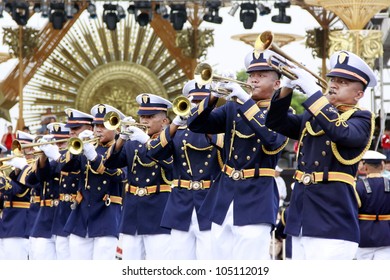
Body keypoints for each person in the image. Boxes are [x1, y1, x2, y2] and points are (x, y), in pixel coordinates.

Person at [265, 50, 377, 259]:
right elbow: (275, 122)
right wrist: (287, 87)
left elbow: (341, 132)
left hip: (332, 218)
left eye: (342, 82)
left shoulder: (362, 118)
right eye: (333, 80)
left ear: (359, 94)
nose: (333, 84)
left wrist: (313, 93)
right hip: (301, 215)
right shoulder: (313, 114)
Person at [187, 50, 289, 260]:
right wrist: (214, 96)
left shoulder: (283, 113)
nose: (254, 78)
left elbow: (272, 138)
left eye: (262, 74)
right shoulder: (233, 108)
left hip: (256, 197)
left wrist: (244, 100)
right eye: (252, 74)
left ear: (277, 84)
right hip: (224, 195)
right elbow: (195, 124)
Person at [147, 80, 224, 259]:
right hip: (181, 204)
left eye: (202, 102)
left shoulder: (219, 129)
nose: (198, 107)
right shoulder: (178, 132)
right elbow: (153, 152)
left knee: (210, 259)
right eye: (194, 103)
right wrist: (174, 124)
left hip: (209, 201)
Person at [104, 93, 173, 260]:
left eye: (150, 117)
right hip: (132, 212)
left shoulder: (171, 140)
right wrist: (121, 138)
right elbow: (110, 163)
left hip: (158, 211)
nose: (144, 121)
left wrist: (147, 142)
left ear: (164, 121)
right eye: (142, 116)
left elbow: (172, 165)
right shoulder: (133, 142)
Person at [63, 104, 126, 260]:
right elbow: (65, 168)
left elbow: (120, 175)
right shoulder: (88, 147)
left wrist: (94, 158)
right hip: (82, 214)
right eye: (96, 125)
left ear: (116, 129)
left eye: (104, 125)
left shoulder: (122, 150)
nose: (98, 129)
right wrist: (77, 145)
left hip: (107, 214)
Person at [36, 108, 94, 259]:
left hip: (81, 210)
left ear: (89, 129)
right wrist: (44, 155)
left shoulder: (90, 151)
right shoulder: (68, 153)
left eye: (76, 128)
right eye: (71, 129)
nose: (72, 132)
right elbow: (43, 176)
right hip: (62, 213)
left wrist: (55, 154)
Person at [28, 122, 70, 260]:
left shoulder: (71, 158)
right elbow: (33, 179)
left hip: (64, 215)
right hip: (45, 217)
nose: (58, 146)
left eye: (61, 142)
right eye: (55, 142)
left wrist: (57, 156)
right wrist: (43, 156)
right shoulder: (48, 161)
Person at [1, 131, 36, 259]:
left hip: (20, 224)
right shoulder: (13, 168)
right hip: (5, 223)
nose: (19, 152)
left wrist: (20, 169)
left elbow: (20, 191)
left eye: (23, 148)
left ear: (32, 149)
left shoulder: (33, 168)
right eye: (17, 148)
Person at [355, 150, 390, 260]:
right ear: (382, 166)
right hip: (386, 235)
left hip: (363, 236)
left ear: (365, 168)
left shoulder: (358, 187)